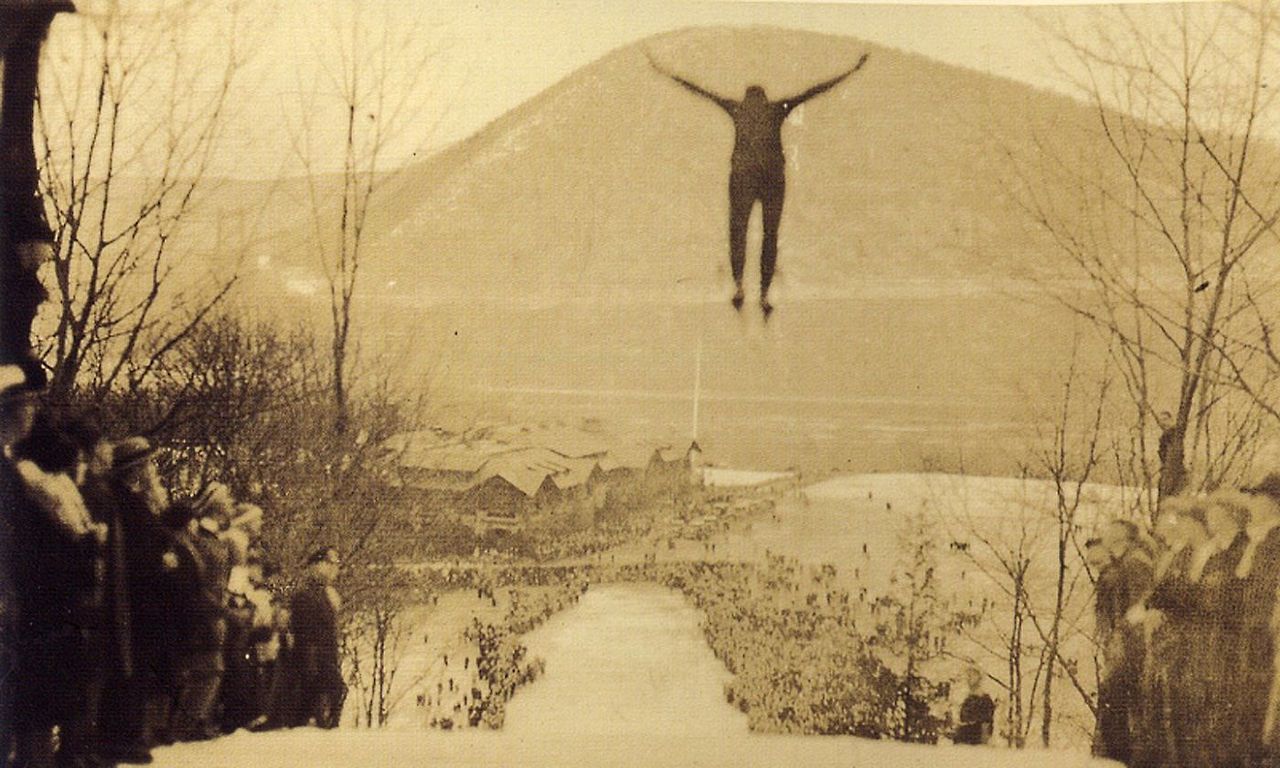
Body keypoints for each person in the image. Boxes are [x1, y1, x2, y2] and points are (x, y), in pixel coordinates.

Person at [649, 52, 869, 316]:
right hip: (771, 179)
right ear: (763, 99)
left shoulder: (738, 109)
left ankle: (741, 287)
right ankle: (762, 294)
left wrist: (665, 72)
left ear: (748, 99)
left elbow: (699, 91)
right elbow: (813, 91)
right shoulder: (776, 110)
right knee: (769, 235)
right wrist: (851, 71)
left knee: (738, 233)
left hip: (743, 178)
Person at [290, 546, 345, 728]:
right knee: (328, 692)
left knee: (330, 694)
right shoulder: (306, 594)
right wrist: (310, 661)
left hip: (325, 656)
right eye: (329, 563)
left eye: (335, 564)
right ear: (316, 565)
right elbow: (304, 632)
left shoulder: (326, 593)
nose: (334, 569)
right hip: (313, 657)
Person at [953, 667, 994, 745]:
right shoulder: (968, 699)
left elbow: (986, 723)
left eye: (972, 676)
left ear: (979, 679)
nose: (969, 680)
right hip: (964, 740)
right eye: (968, 676)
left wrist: (984, 741)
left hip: (976, 739)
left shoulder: (984, 699)